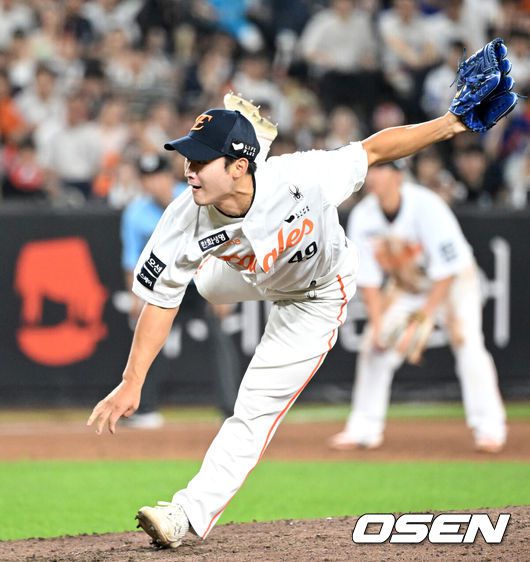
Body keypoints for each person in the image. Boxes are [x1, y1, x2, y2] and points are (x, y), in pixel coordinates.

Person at [87, 84, 507, 548]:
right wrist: (132, 380)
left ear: (239, 166)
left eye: (202, 161)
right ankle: (250, 144)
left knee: (254, 409)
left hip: (317, 294)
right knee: (202, 283)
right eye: (187, 159)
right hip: (251, 274)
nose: (189, 170)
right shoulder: (182, 217)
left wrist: (450, 124)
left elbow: (374, 149)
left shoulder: (304, 176)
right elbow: (161, 302)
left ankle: (184, 514)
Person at [328, 161, 507, 454]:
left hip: (454, 284)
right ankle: (363, 429)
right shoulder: (363, 215)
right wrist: (377, 326)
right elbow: (369, 280)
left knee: (467, 343)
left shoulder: (427, 206)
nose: (373, 176)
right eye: (372, 169)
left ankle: (490, 428)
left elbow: (447, 270)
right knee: (373, 347)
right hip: (408, 287)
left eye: (381, 169)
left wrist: (425, 317)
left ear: (398, 176)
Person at [120, 151, 243, 426]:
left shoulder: (196, 196)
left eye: (158, 176)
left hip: (201, 282)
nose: (153, 183)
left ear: (169, 176)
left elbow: (220, 241)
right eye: (147, 178)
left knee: (218, 338)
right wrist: (135, 295)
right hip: (165, 285)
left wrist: (223, 290)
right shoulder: (135, 212)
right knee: (148, 339)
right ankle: (143, 409)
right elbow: (132, 259)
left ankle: (231, 410)